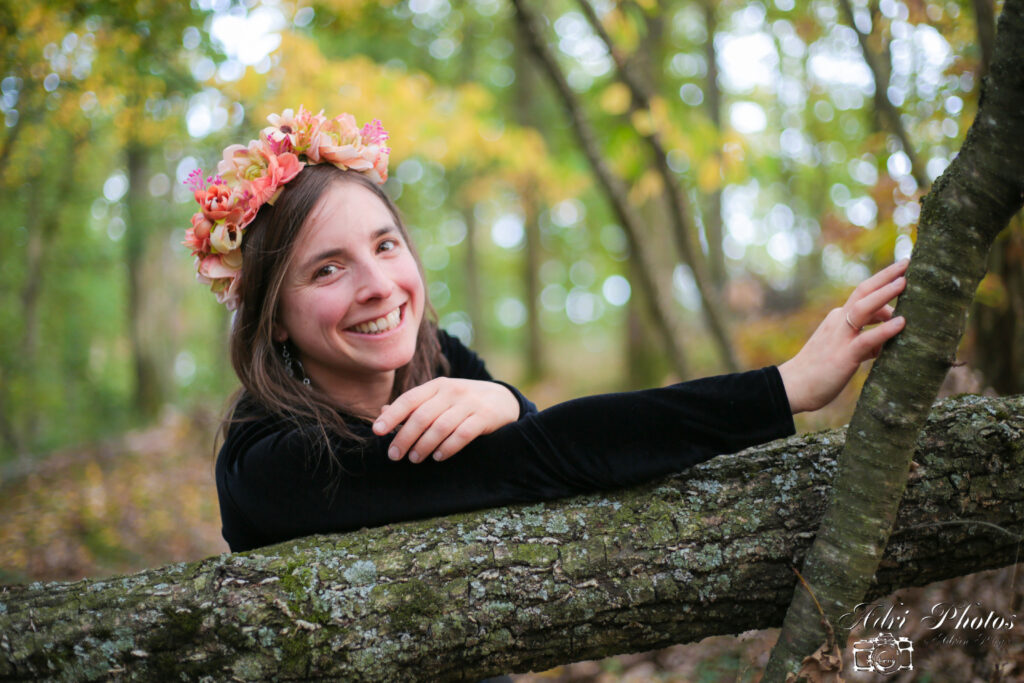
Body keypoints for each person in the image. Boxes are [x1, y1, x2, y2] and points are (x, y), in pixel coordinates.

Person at [186, 108, 908, 553]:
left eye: (385, 245)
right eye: (327, 269)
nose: (379, 285)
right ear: (272, 317)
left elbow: (528, 447)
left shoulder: (438, 358)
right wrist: (784, 388)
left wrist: (506, 401)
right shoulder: (272, 463)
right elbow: (540, 457)